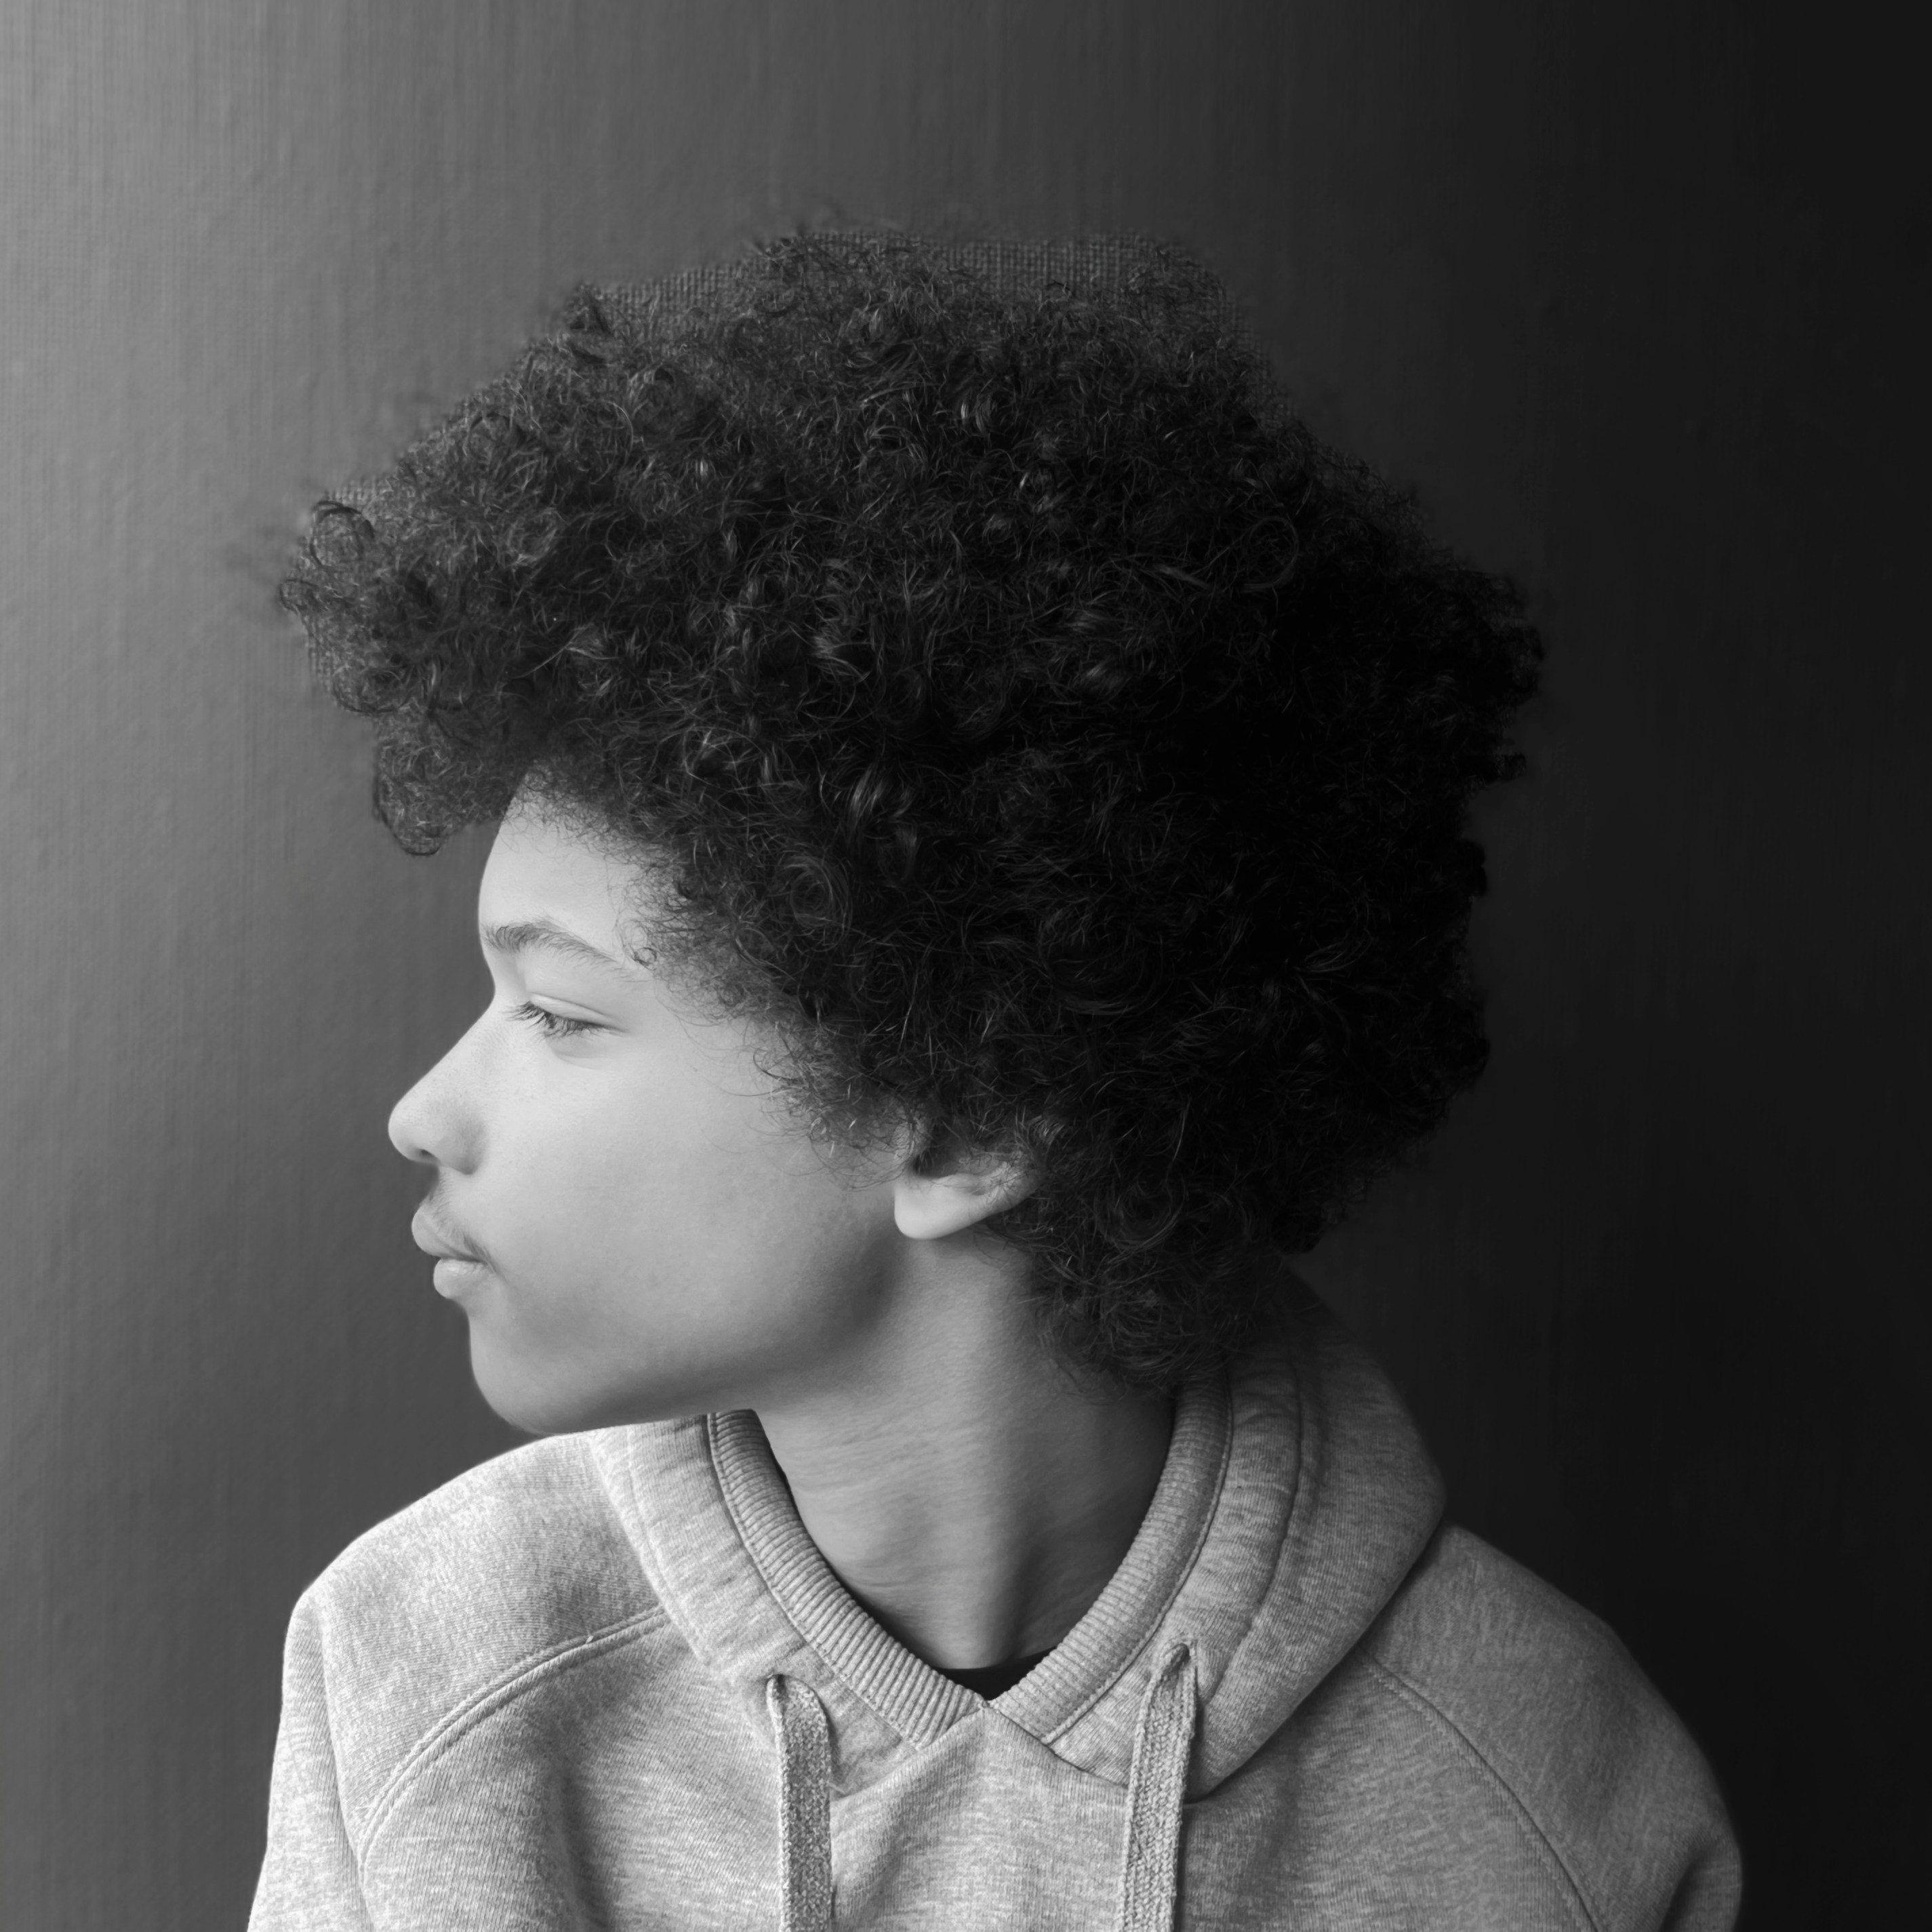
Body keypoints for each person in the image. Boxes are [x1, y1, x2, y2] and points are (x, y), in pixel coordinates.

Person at [251, 234, 1740, 1930]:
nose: (422, 1111)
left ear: (970, 1113)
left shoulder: (1550, 1803)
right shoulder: (421, 1678)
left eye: (561, 1014)